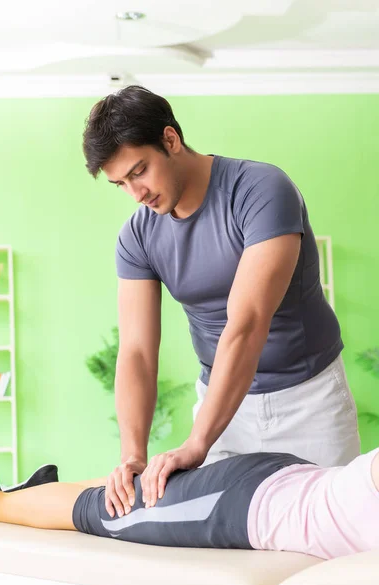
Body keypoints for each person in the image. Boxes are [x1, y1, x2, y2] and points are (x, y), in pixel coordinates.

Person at [82, 85, 360, 520]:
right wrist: (133, 454)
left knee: (332, 537)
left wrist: (196, 443)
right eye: (121, 184)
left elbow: (247, 324)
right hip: (223, 410)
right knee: (227, 546)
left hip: (310, 402)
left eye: (140, 171)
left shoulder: (261, 189)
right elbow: (136, 351)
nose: (136, 193)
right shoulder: (138, 235)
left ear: (170, 140)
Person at [0, 448, 378, 561]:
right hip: (244, 502)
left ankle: (36, 491)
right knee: (106, 513)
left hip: (281, 481)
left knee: (127, 500)